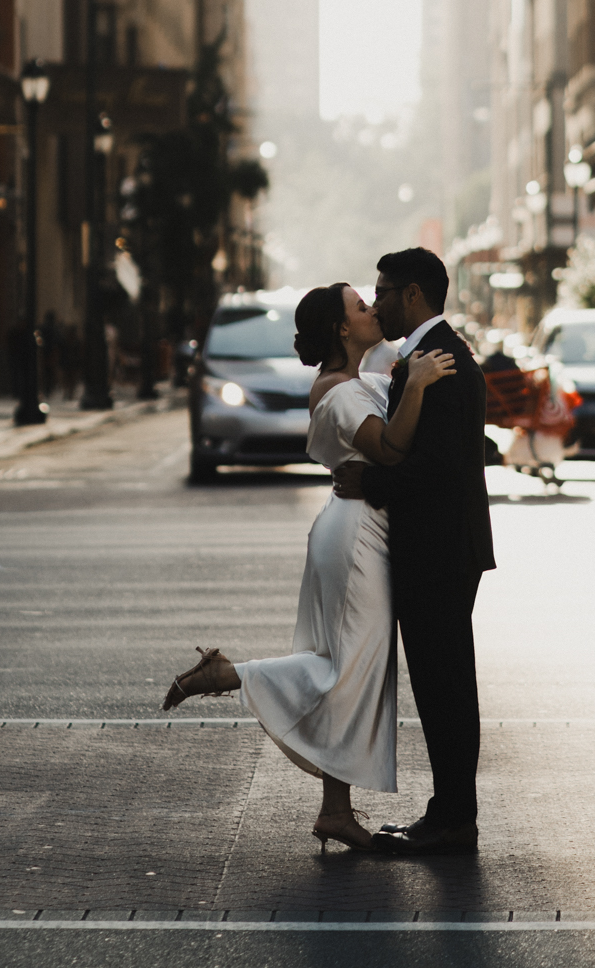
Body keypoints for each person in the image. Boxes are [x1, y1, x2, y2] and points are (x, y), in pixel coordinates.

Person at [161, 281, 455, 852]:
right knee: (350, 671)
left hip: (351, 528)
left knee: (346, 667)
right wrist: (418, 384)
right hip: (356, 538)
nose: (374, 309)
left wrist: (413, 367)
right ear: (344, 328)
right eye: (361, 306)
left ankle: (335, 811)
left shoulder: (356, 380)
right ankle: (228, 675)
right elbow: (391, 449)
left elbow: (393, 383)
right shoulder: (342, 393)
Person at [333, 246, 495, 857]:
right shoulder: (428, 356)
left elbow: (440, 468)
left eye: (383, 292)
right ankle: (451, 813)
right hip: (444, 546)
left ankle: (453, 819)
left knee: (445, 687)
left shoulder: (441, 361)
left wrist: (368, 482)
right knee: (444, 685)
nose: (376, 303)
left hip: (439, 548)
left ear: (414, 295)